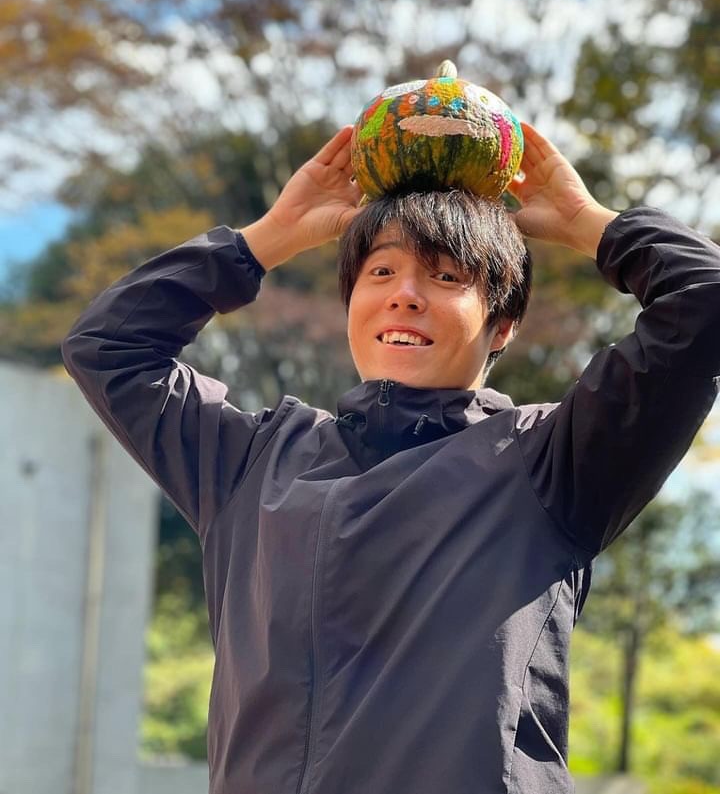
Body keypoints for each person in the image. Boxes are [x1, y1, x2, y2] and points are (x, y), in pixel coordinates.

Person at [61, 122, 720, 794]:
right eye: (380, 270)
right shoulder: (251, 463)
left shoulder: (551, 462)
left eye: (446, 275)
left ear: (502, 323)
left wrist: (591, 224)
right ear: (351, 301)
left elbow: (705, 304)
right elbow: (106, 346)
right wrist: (271, 235)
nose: (405, 292)